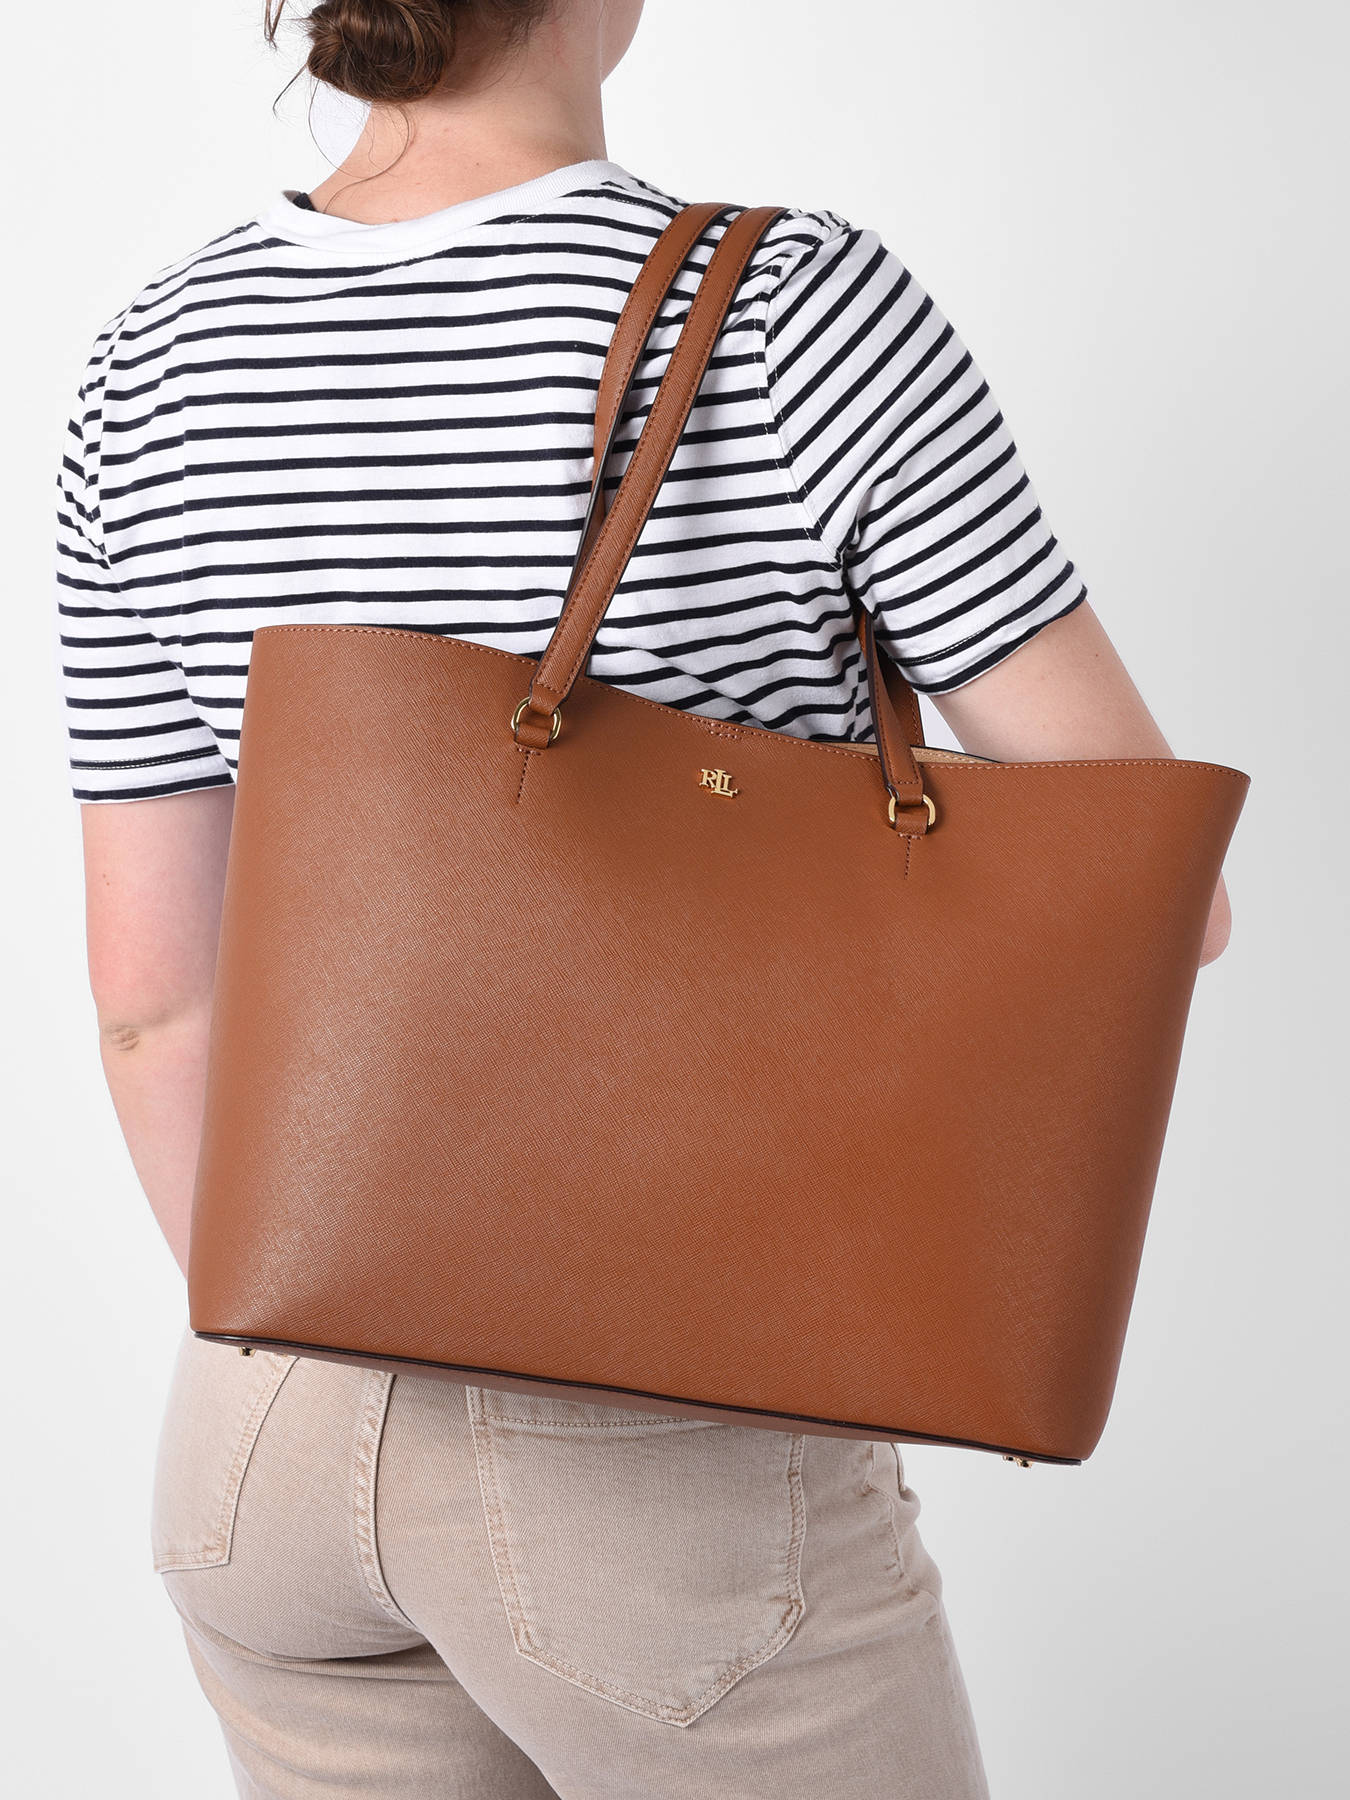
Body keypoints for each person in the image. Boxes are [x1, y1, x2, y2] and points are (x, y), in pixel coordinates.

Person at [57, 1, 1233, 1794]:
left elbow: (157, 1003)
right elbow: (1149, 900)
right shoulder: (788, 310)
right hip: (658, 1454)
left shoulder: (150, 358)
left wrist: (330, 1309)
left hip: (257, 1433)